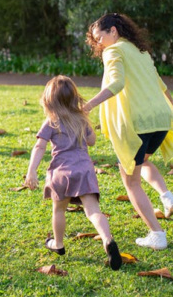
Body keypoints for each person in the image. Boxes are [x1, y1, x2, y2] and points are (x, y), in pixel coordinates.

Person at [85, 13, 173, 251]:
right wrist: (171, 101)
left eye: (100, 37)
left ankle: (157, 234)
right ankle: (166, 196)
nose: (99, 44)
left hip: (138, 123)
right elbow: (158, 80)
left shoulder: (114, 51)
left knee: (130, 181)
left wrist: (88, 105)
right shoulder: (141, 51)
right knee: (141, 162)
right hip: (160, 119)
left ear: (113, 31)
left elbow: (117, 84)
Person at [24, 75, 122, 271]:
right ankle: (107, 239)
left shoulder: (51, 121)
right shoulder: (80, 119)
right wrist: (86, 122)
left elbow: (39, 146)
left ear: (49, 101)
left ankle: (58, 244)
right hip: (84, 169)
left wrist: (31, 171)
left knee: (58, 209)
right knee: (93, 211)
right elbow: (92, 141)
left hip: (61, 171)